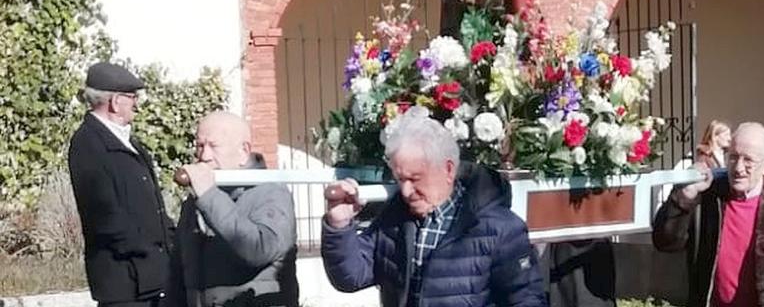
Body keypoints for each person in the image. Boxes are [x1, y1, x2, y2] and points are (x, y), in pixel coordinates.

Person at [320, 114, 546, 307]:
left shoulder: (499, 228)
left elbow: (526, 299)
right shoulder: (394, 217)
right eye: (400, 179)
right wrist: (339, 225)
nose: (406, 191)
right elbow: (351, 277)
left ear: (448, 170)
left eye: (415, 178)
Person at [652, 122, 764, 307]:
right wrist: (684, 196)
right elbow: (665, 242)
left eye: (748, 160)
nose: (738, 168)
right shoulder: (708, 194)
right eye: (733, 157)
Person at [68, 62, 173, 307]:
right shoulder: (88, 144)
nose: (137, 103)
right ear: (115, 102)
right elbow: (103, 216)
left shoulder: (130, 141)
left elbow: (153, 206)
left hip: (153, 277)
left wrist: (171, 243)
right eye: (132, 97)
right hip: (124, 282)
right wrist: (145, 248)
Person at [167, 111, 298, 307]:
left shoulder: (271, 192)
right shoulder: (197, 200)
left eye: (214, 146)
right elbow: (178, 273)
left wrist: (210, 197)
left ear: (243, 152)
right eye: (200, 145)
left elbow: (260, 249)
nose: (204, 156)